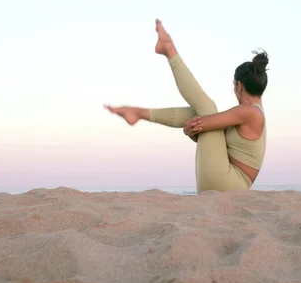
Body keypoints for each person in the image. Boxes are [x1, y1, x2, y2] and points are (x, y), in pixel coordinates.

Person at [104, 19, 268, 193]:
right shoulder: (251, 113)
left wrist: (194, 128)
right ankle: (138, 113)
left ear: (239, 86)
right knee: (202, 112)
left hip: (228, 184)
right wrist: (193, 132)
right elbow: (209, 137)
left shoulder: (249, 112)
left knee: (207, 106)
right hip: (223, 183)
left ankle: (170, 51)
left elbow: (203, 124)